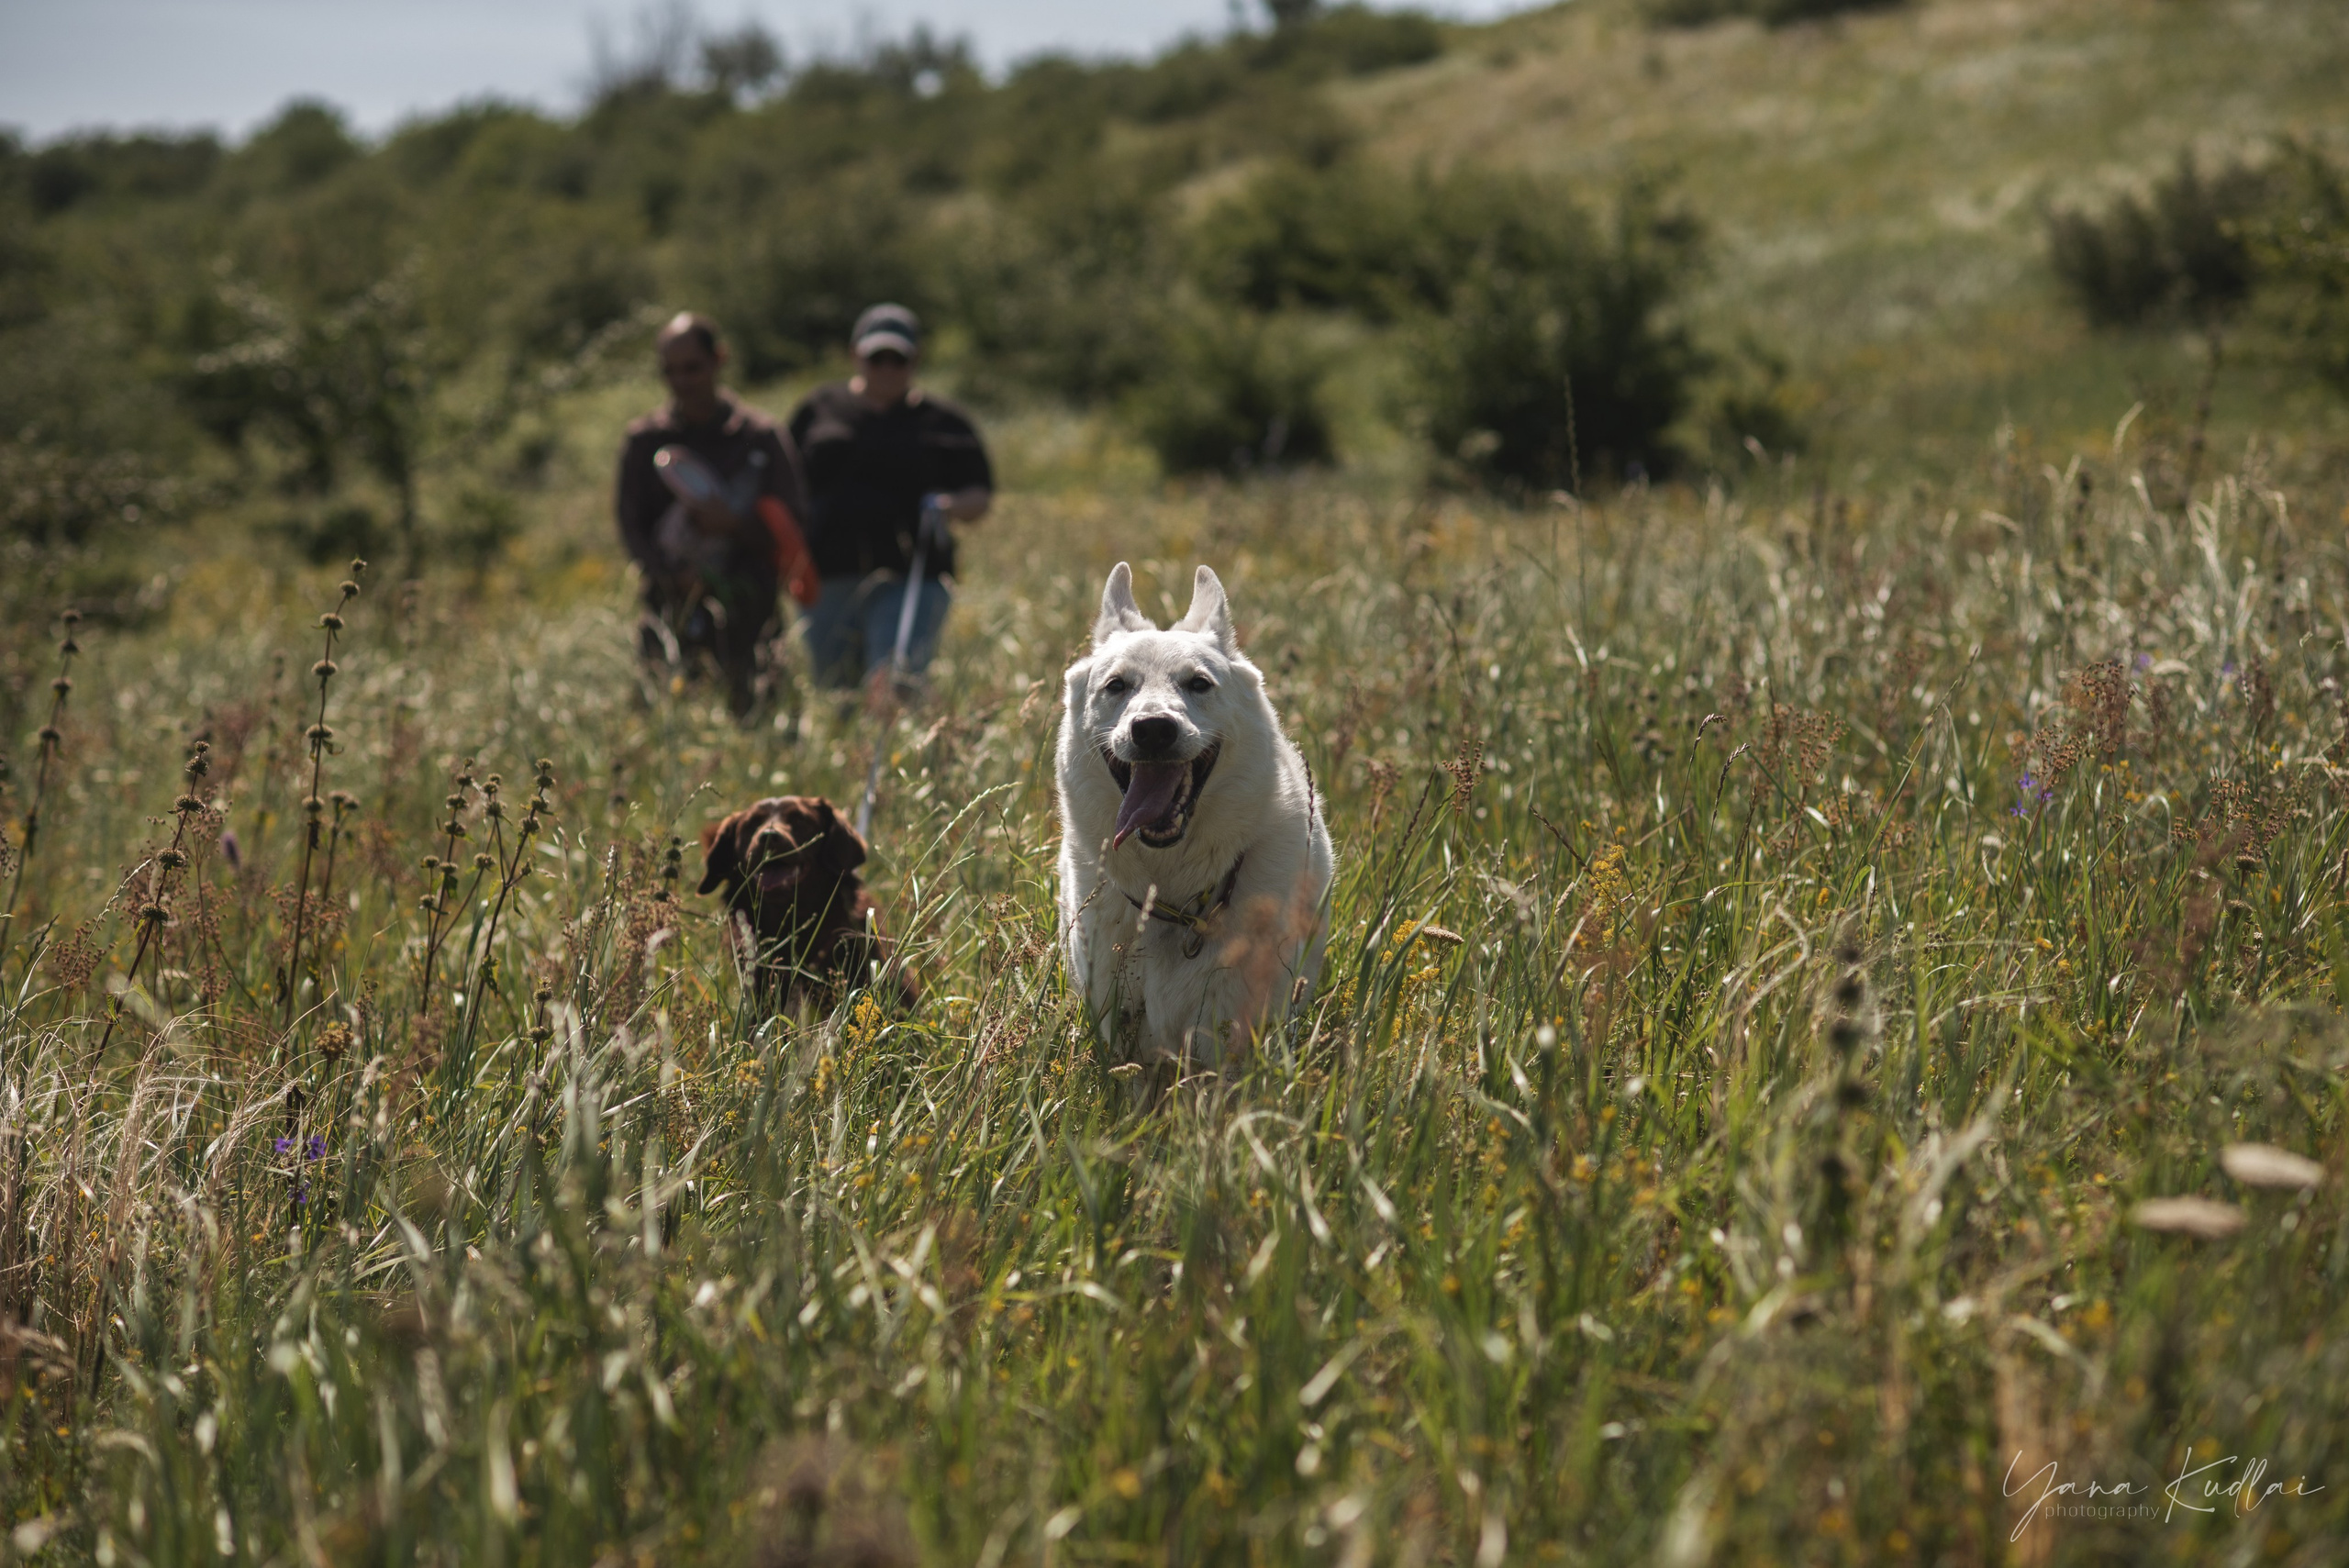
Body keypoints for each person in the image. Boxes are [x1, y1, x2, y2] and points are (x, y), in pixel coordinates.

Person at [786, 304, 992, 694]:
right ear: (855, 356)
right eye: (875, 358)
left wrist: (948, 506)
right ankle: (851, 753)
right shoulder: (818, 409)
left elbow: (979, 496)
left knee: (895, 684)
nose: (886, 368)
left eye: (896, 359)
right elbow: (785, 480)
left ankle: (898, 751)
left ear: (914, 360)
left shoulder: (944, 421)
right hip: (825, 576)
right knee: (835, 691)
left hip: (911, 577)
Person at [614, 312, 813, 715]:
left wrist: (735, 527)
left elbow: (794, 525)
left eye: (693, 368)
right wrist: (671, 575)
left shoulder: (760, 435)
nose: (682, 382)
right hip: (670, 608)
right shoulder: (645, 439)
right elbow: (630, 525)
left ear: (719, 359)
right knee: (661, 723)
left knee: (762, 720)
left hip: (751, 607)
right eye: (670, 371)